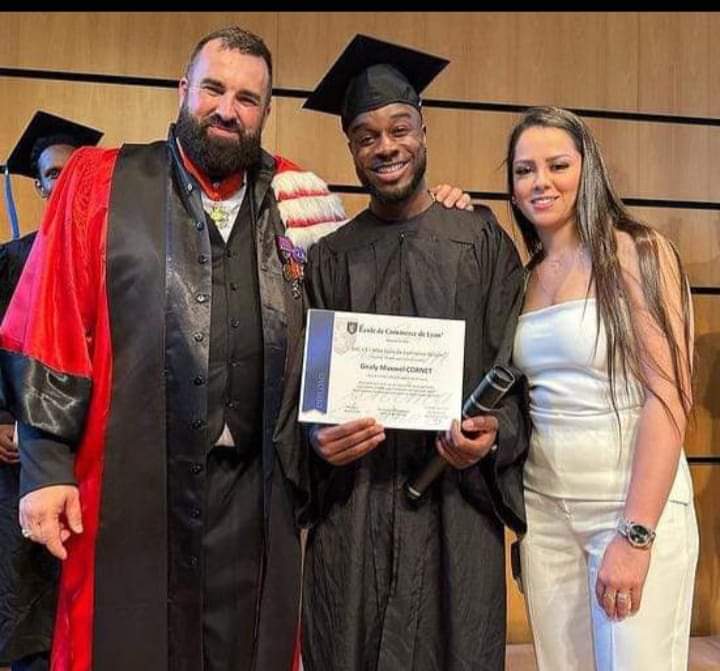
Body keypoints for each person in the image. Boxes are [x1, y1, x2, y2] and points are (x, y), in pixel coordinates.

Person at [0, 27, 470, 671]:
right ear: (183, 90)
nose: (228, 109)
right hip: (127, 485)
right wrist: (46, 469)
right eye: (214, 88)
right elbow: (47, 326)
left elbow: (356, 320)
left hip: (260, 490)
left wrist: (440, 209)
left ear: (265, 112)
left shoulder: (300, 200)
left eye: (248, 98)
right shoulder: (99, 184)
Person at [299, 34, 530, 671]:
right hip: (356, 508)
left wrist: (492, 436)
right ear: (351, 147)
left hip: (454, 510)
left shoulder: (480, 241)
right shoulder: (330, 258)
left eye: (400, 128)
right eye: (367, 135)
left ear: (424, 132)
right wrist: (319, 440)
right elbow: (307, 391)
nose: (386, 147)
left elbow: (516, 375)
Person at [508, 106, 698, 670]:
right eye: (524, 170)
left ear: (588, 168)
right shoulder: (524, 276)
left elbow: (668, 399)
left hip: (628, 512)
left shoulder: (638, 251)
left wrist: (636, 535)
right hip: (545, 518)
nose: (540, 182)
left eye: (557, 164)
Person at [0, 112, 102, 671]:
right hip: (18, 464)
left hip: (90, 456)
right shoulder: (12, 260)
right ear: (38, 185)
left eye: (72, 172)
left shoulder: (111, 259)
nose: (61, 183)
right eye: (50, 174)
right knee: (29, 602)